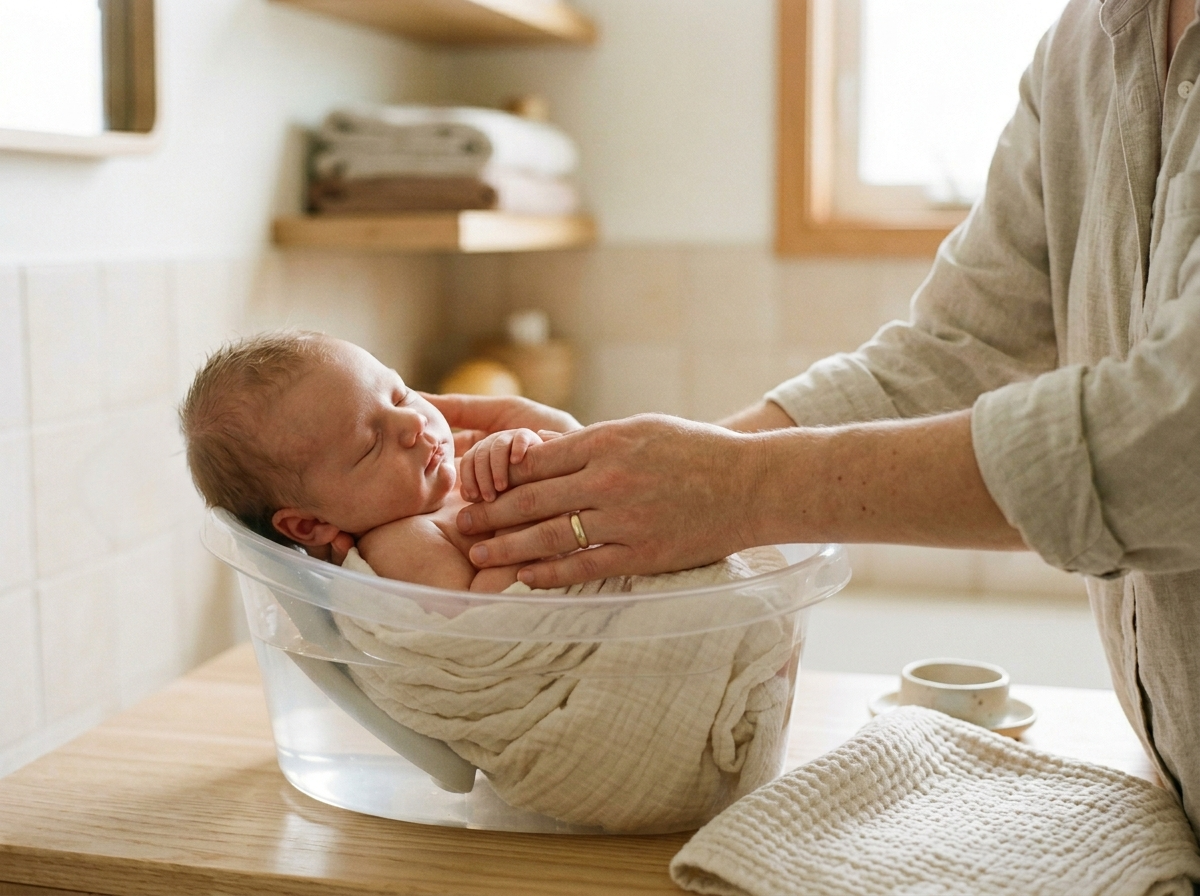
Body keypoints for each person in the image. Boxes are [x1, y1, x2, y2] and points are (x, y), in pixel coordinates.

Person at [426, 0, 1200, 839]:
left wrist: (731, 486)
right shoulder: (1085, 46)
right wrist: (643, 487)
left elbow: (1172, 437)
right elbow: (954, 349)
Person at [179, 330, 547, 593]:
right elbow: (481, 627)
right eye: (371, 444)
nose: (414, 422)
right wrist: (520, 530)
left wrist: (523, 448)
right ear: (308, 526)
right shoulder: (402, 544)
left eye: (401, 396)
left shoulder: (453, 472)